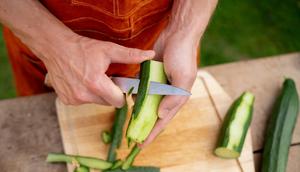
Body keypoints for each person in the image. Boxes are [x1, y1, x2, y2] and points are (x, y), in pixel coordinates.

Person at [0, 0, 217, 147]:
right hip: (43, 31)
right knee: (38, 131)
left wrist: (184, 28)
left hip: (162, 39)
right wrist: (54, 47)